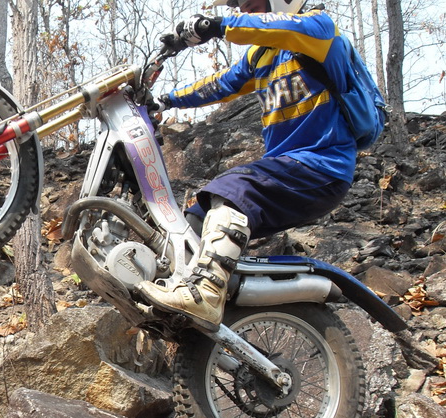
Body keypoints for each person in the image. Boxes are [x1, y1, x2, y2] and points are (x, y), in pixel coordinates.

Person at [136, 0, 358, 332]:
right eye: (239, 5)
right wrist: (166, 100)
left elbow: (275, 27)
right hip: (288, 169)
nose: (243, 7)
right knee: (195, 218)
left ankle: (206, 293)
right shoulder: (260, 56)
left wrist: (217, 26)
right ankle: (186, 311)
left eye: (250, 1)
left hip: (321, 165)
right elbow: (221, 84)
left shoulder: (318, 30)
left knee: (234, 188)